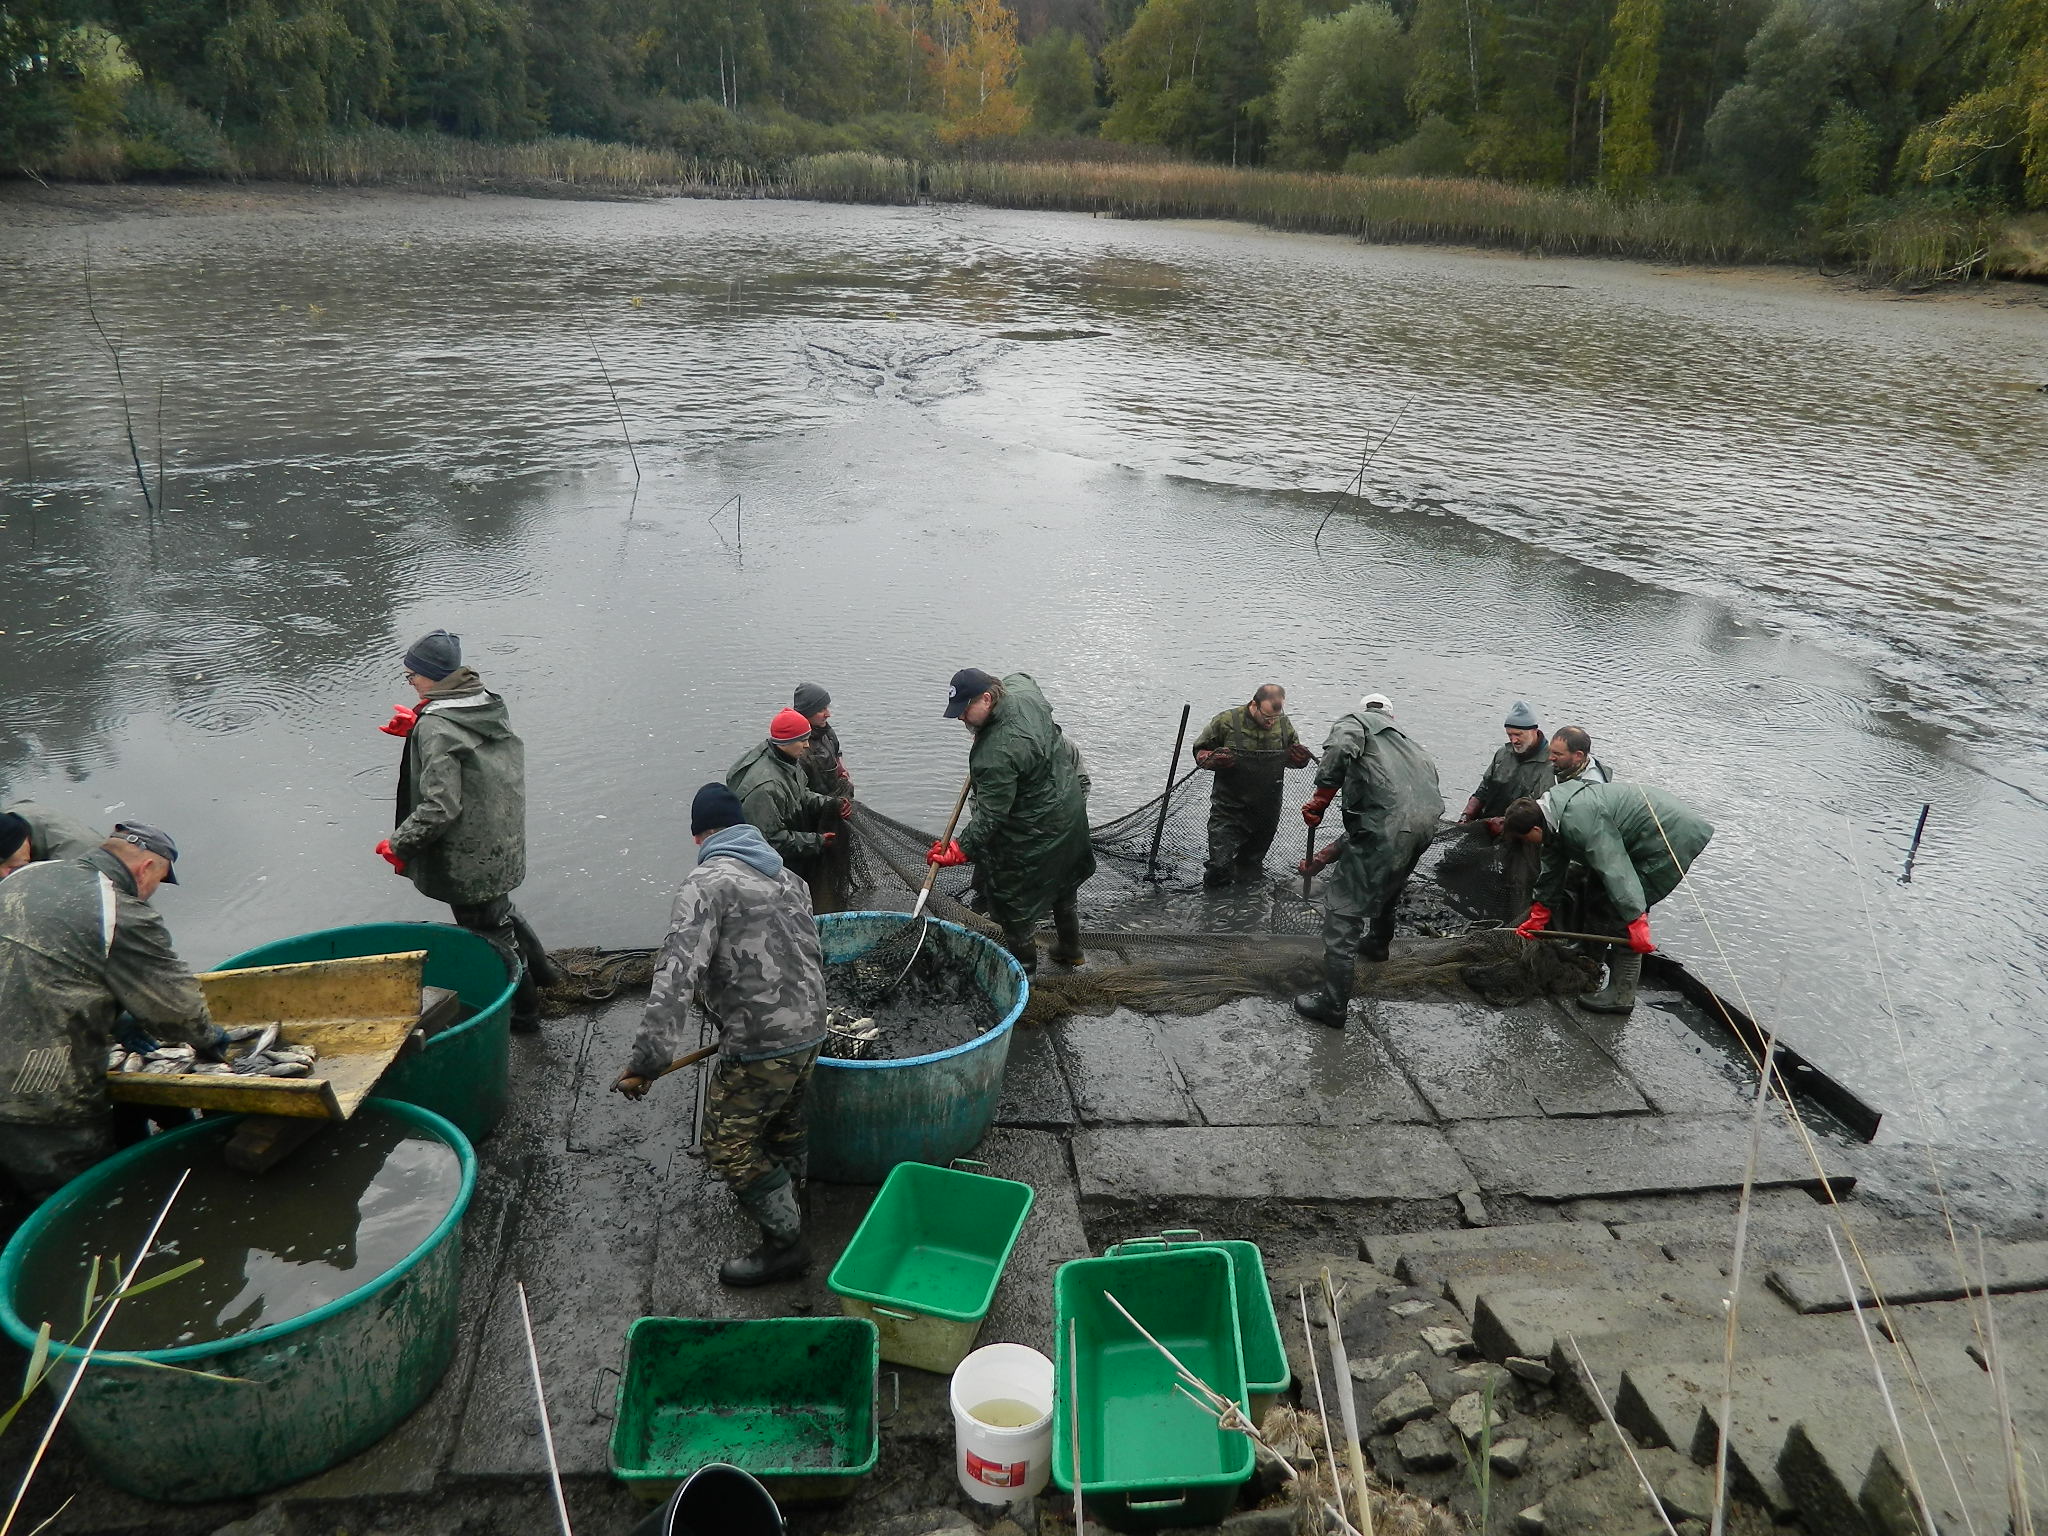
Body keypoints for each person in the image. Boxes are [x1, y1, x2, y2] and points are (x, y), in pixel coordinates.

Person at [613, 784, 828, 1287]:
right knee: (784, 1116)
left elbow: (675, 979)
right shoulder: (789, 877)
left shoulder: (704, 884)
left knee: (725, 1144)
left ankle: (785, 1243)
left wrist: (647, 1062)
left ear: (699, 836)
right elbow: (814, 949)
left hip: (761, 1041)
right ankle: (788, 1187)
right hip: (813, 1023)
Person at [0, 824, 224, 1200]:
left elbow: (43, 967)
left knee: (9, 1202)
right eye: (160, 880)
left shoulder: (26, 876)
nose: (153, 892)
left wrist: (117, 1019)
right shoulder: (121, 909)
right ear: (146, 867)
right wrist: (208, 1037)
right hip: (35, 1092)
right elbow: (174, 1008)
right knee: (78, 1203)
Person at [374, 630, 555, 1034]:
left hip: (467, 856)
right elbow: (470, 748)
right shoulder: (483, 700)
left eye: (412, 676)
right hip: (500, 837)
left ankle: (525, 1017)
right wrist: (418, 724)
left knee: (491, 936)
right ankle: (547, 976)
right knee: (501, 912)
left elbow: (440, 807)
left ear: (433, 676)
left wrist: (400, 844)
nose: (411, 683)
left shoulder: (439, 727)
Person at [928, 668, 1095, 974]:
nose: (961, 718)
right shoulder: (1026, 697)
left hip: (1035, 830)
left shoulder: (995, 752)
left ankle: (1026, 970)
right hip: (1069, 814)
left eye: (965, 709)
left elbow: (991, 816)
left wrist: (958, 849)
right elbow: (1024, 676)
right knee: (1064, 884)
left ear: (988, 698)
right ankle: (1071, 950)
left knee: (1011, 901)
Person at [1294, 694, 1443, 1027]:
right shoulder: (1411, 747)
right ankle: (1377, 945)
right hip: (1423, 828)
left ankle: (1333, 1004)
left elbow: (1339, 750)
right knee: (1388, 881)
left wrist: (1319, 801)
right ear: (1392, 716)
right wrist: (1322, 858)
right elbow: (1385, 817)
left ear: (1367, 712)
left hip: (1390, 830)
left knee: (1343, 911)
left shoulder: (1355, 722)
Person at [1505, 779, 1714, 1013]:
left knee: (1620, 915)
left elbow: (1615, 867)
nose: (1526, 845)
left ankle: (1621, 996)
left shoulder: (1578, 821)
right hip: (1636, 838)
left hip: (1669, 838)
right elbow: (1553, 865)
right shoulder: (1552, 816)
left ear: (1535, 830)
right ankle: (1590, 959)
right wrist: (1540, 911)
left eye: (1524, 839)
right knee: (1595, 892)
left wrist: (1636, 918)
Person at [1190, 684, 1313, 887]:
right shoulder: (1226, 721)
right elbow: (1199, 752)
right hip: (1229, 808)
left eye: (1275, 716)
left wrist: (1300, 760)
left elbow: (1294, 759)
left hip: (1267, 809)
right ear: (1254, 705)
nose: (1270, 722)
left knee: (1251, 865)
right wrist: (1211, 759)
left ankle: (1246, 907)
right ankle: (1215, 911)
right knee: (1219, 867)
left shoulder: (1283, 725)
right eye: (1266, 717)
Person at [727, 709, 851, 899]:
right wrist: (817, 841)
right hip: (768, 873)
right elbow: (771, 841)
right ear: (786, 742)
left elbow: (800, 793)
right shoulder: (766, 787)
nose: (807, 745)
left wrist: (831, 804)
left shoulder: (787, 759)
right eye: (803, 740)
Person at [1457, 701, 1555, 918]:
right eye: (1510, 734)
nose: (1513, 740)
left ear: (1535, 731)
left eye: (1518, 734)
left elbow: (1541, 811)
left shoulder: (1550, 763)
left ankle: (1513, 927)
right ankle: (1468, 910)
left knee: (1520, 883)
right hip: (1488, 825)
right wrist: (1466, 816)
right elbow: (1483, 790)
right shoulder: (1503, 754)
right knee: (1454, 859)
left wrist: (1505, 825)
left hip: (1524, 834)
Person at [793, 684, 854, 912]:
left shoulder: (827, 731)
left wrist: (843, 771)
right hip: (814, 822)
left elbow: (837, 754)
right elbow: (798, 794)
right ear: (806, 712)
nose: (827, 713)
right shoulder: (798, 747)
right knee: (815, 878)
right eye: (821, 709)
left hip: (835, 810)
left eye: (826, 707)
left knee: (837, 870)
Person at [1, 800, 102, 874]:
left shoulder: (79, 860)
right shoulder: (10, 818)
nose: (4, 875)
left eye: (7, 864)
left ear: (20, 842)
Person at [1548, 725, 1612, 787]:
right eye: (1550, 751)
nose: (1550, 758)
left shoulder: (1591, 788)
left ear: (1578, 756)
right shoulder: (1575, 764)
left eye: (1557, 754)